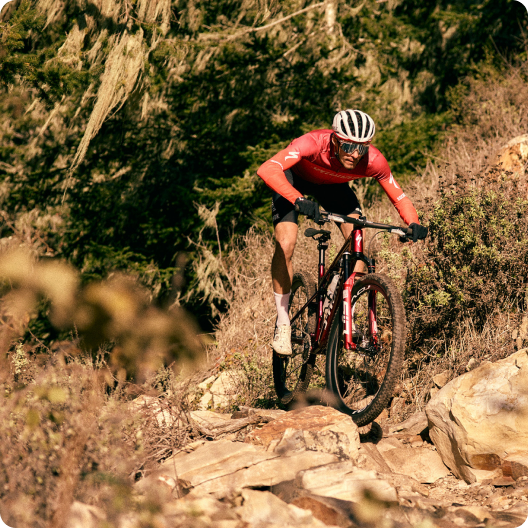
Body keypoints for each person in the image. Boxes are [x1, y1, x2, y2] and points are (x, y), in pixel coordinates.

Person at [257, 109, 428, 356]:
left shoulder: (374, 160)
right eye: (348, 146)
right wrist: (297, 199)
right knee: (286, 243)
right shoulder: (312, 143)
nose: (355, 154)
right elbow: (268, 169)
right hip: (294, 180)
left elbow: (399, 196)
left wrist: (413, 223)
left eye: (362, 147)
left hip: (334, 188)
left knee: (359, 247)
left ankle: (344, 311)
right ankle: (283, 322)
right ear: (335, 140)